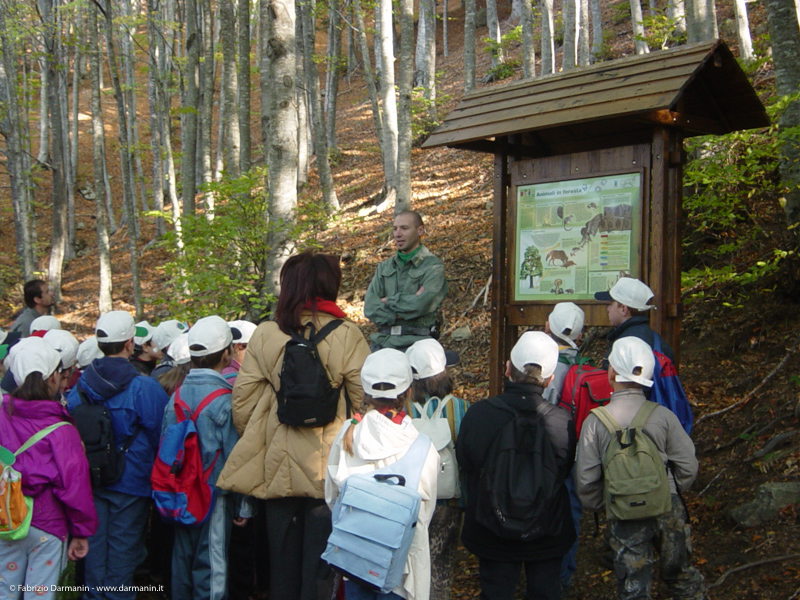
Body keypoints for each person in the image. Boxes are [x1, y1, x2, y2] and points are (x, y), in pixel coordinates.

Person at [216, 251, 370, 600]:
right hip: (328, 469)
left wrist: (263, 435)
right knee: (321, 566)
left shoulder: (268, 334)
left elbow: (242, 402)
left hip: (277, 469)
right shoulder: (348, 335)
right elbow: (364, 403)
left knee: (281, 566)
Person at [575, 337, 704, 600]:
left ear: (611, 372)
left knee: (633, 586)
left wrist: (610, 502)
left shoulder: (595, 423)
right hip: (667, 506)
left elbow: (586, 482)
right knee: (681, 576)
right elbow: (689, 465)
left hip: (623, 514)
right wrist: (671, 489)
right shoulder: (663, 415)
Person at [456, 331, 576, 600]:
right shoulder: (562, 421)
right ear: (549, 379)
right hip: (548, 527)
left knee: (495, 591)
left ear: (508, 368)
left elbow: (466, 462)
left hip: (492, 528)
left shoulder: (480, 414)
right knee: (546, 592)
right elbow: (564, 469)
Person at [66, 311, 170, 600]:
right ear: (129, 344)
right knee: (124, 554)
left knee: (95, 551)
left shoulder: (80, 388)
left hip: (91, 480)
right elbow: (160, 436)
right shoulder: (144, 387)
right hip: (132, 482)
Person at [325, 349, 440, 600]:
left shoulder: (348, 434)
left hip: (355, 559)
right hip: (401, 568)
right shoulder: (422, 446)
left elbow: (332, 497)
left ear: (365, 392)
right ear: (409, 391)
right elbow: (425, 513)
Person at [0, 338, 98, 600]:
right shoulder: (63, 430)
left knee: (5, 591)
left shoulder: (1, 415)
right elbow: (75, 486)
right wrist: (81, 531)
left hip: (7, 517)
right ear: (55, 377)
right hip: (47, 524)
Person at [160, 316, 246, 600]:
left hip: (179, 493)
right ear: (227, 353)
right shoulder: (225, 398)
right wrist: (243, 506)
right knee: (212, 563)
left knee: (182, 558)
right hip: (214, 496)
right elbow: (235, 457)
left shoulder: (177, 396)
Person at [404, 338, 469, 600]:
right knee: (441, 562)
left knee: (409, 563)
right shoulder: (461, 408)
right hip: (448, 500)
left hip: (411, 498)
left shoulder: (403, 409)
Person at [541, 301, 586, 592]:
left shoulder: (550, 367)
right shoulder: (582, 364)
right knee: (571, 511)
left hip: (550, 453)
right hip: (578, 452)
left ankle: (547, 577)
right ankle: (564, 574)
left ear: (548, 327)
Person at [364, 210, 448, 351]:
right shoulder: (384, 267)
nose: (398, 234)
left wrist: (388, 302)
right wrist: (406, 306)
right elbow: (370, 307)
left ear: (420, 230)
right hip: (384, 343)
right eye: (395, 229)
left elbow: (422, 304)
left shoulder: (433, 267)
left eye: (404, 228)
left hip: (418, 343)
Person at [594, 277, 674, 368]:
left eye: (611, 304)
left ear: (623, 309)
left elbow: (613, 380)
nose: (608, 309)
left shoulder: (624, 344)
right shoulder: (655, 338)